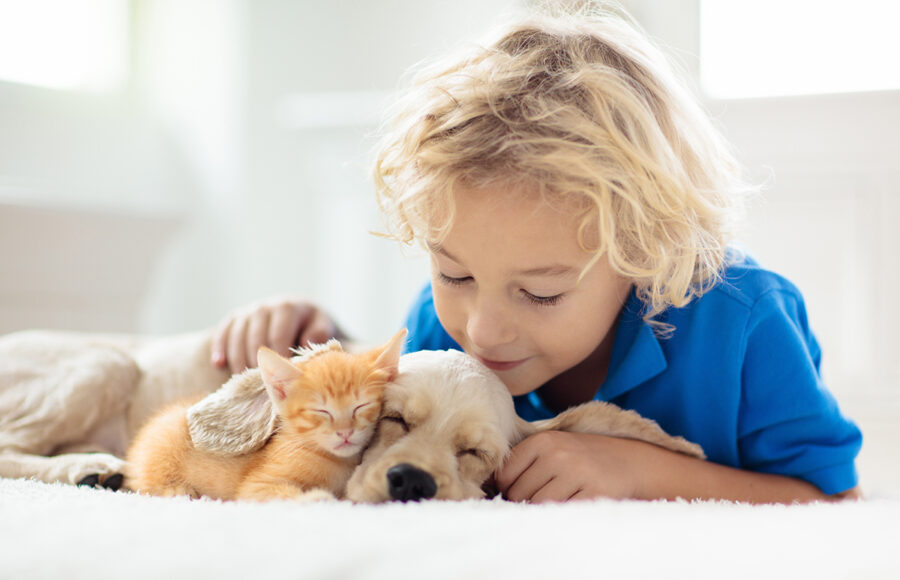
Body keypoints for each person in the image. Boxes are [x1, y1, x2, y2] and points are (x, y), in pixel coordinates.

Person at [211, 5, 862, 504]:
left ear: (642, 255)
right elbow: (392, 417)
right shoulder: (450, 331)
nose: (482, 329)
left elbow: (834, 500)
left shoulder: (747, 321)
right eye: (454, 272)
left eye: (542, 292)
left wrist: (638, 471)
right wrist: (313, 340)